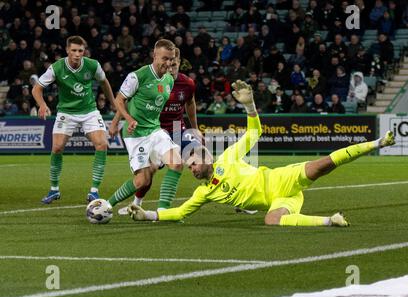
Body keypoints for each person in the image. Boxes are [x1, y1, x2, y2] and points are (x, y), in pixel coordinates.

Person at [129, 80, 396, 227]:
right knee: (272, 220)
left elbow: (254, 134)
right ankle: (330, 221)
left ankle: (377, 143)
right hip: (280, 200)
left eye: (194, 162)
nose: (192, 168)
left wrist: (250, 106)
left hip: (281, 180)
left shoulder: (229, 157)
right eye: (189, 166)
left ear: (207, 157)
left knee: (324, 164)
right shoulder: (203, 193)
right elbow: (179, 213)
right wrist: (149, 215)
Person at [109, 48, 202, 215]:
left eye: (173, 62)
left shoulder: (183, 83)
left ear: (179, 62)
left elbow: (190, 104)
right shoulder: (143, 77)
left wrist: (194, 128)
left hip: (173, 129)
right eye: (166, 60)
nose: (170, 65)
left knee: (198, 159)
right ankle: (132, 203)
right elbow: (125, 100)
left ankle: (233, 195)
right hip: (147, 131)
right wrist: (119, 122)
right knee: (145, 177)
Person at [32, 36, 117, 204]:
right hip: (66, 112)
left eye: (80, 51)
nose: (77, 54)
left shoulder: (93, 65)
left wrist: (113, 103)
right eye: (74, 51)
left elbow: (104, 82)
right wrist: (42, 105)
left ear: (84, 51)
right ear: (67, 51)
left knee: (102, 144)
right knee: (56, 148)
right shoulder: (57, 68)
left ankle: (94, 191)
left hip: (89, 111)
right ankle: (54, 189)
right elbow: (37, 88)